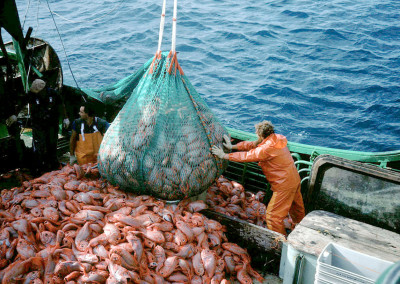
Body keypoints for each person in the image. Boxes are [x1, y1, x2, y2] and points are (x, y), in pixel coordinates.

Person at [211, 121, 305, 235]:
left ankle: (281, 243)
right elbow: (253, 144)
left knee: (272, 217)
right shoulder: (277, 139)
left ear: (260, 135)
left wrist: (224, 155)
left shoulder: (266, 149)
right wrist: (233, 146)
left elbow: (247, 156)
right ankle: (301, 230)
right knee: (296, 208)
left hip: (284, 185)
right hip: (294, 179)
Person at [28, 79, 69, 174]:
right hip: (38, 125)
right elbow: (26, 105)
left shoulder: (53, 93)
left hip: (51, 124)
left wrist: (65, 118)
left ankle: (53, 164)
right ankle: (41, 167)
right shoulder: (32, 95)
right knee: (40, 146)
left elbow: (61, 105)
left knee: (52, 143)